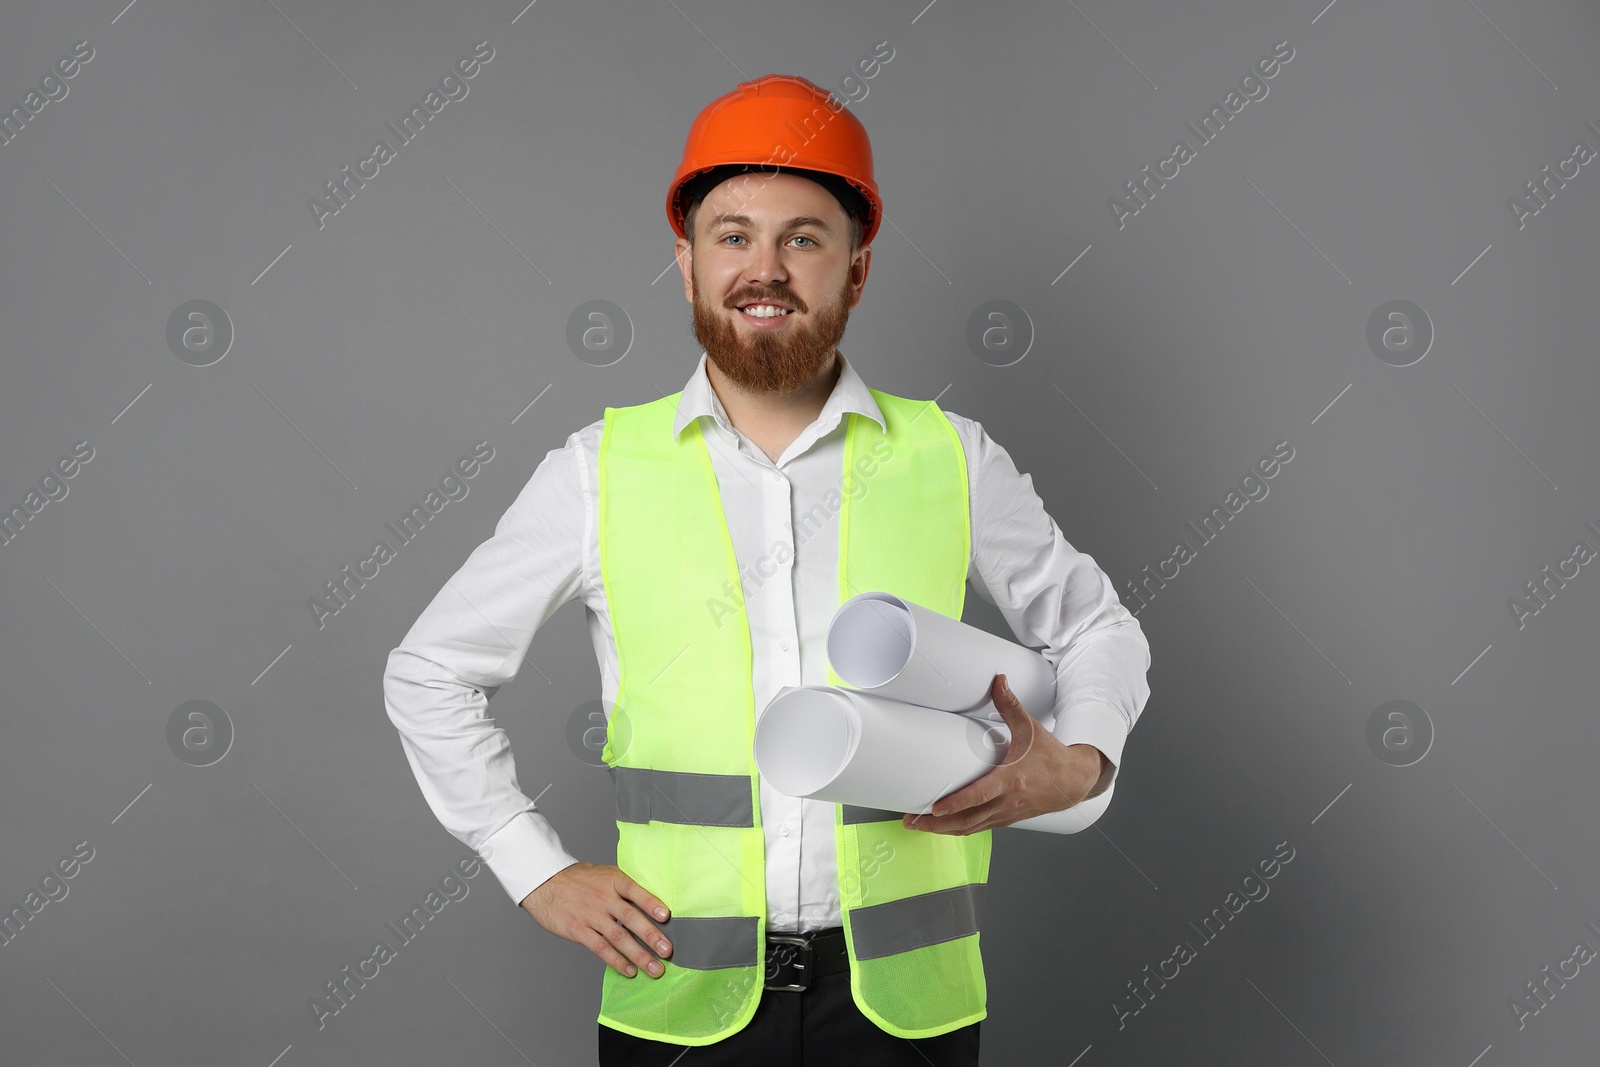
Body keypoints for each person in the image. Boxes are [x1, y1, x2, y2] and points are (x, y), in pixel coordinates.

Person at [383, 74, 1152, 1066]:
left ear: (856, 268)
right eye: (733, 234)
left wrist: (1082, 758)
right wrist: (531, 866)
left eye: (803, 237)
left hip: (905, 1013)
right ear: (686, 261)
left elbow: (1098, 629)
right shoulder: (595, 472)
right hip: (679, 1003)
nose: (766, 267)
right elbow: (428, 671)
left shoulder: (948, 457)